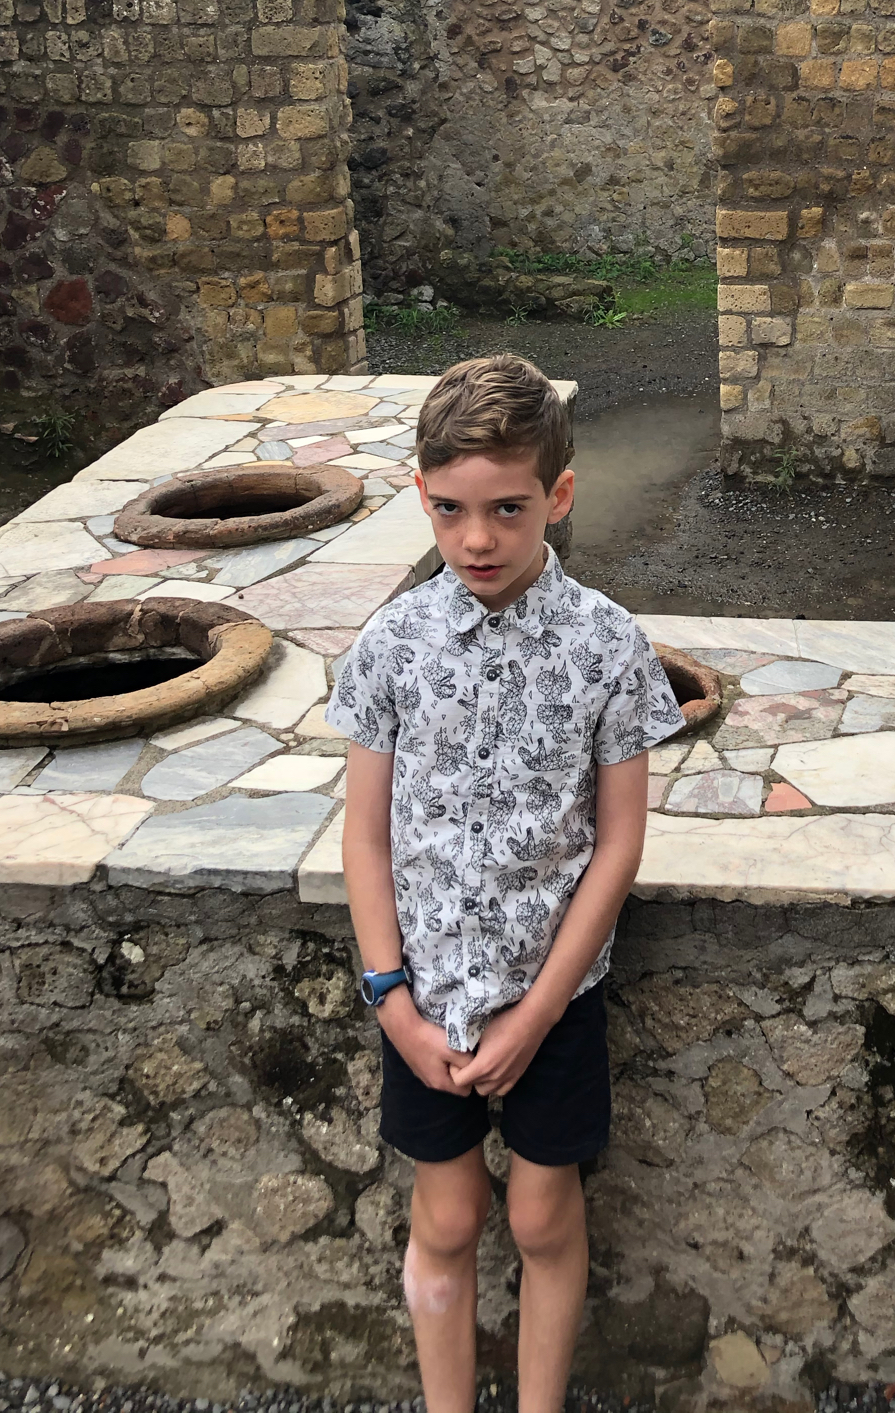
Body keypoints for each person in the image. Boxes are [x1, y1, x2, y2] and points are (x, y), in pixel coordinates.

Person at [331, 354, 684, 1413]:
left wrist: (536, 1013)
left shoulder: (607, 646)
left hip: (553, 999)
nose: (477, 538)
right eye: (450, 509)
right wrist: (391, 1001)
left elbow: (618, 845)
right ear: (421, 494)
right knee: (446, 1217)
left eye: (507, 509)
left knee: (541, 1216)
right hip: (425, 996)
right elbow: (365, 838)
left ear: (558, 496)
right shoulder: (393, 644)